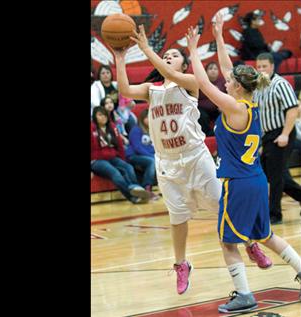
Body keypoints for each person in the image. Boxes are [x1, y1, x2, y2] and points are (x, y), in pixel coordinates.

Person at [113, 24, 271, 295]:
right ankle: (181, 264)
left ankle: (249, 244)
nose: (168, 57)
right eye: (167, 55)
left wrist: (147, 48)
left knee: (223, 208)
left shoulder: (190, 84)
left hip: (196, 157)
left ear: (185, 64)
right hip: (166, 162)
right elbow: (125, 90)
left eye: (174, 55)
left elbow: (171, 73)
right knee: (177, 218)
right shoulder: (153, 89)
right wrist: (119, 57)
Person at [185, 14, 301, 313]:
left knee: (227, 242)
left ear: (236, 87)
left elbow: (203, 81)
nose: (226, 80)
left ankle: (244, 294)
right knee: (265, 235)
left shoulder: (233, 107)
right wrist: (219, 35)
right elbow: (227, 69)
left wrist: (194, 51)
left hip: (237, 184)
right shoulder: (248, 103)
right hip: (254, 179)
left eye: (230, 81)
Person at [254, 52, 301, 224]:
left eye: (264, 66)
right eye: (258, 67)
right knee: (275, 175)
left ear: (272, 66)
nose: (261, 70)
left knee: (275, 177)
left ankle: (275, 214)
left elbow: (292, 109)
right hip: (267, 136)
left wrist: (284, 134)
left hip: (282, 132)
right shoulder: (258, 87)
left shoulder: (280, 84)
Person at [91, 106, 151, 204]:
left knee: (128, 167)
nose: (103, 117)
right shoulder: (91, 128)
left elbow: (119, 145)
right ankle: (132, 197)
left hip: (112, 157)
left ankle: (138, 189)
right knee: (115, 173)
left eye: (105, 115)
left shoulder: (112, 127)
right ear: (94, 116)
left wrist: (123, 160)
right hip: (96, 160)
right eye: (100, 115)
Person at [125, 108, 159, 200]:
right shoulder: (136, 130)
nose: (149, 119)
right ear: (142, 119)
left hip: (148, 156)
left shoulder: (154, 130)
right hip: (134, 156)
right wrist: (152, 156)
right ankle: (147, 188)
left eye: (151, 117)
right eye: (147, 117)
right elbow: (137, 147)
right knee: (152, 161)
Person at [198, 61, 226, 136]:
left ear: (218, 71)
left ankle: (223, 132)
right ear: (206, 72)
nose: (213, 70)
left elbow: (227, 96)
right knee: (201, 115)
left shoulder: (223, 82)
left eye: (215, 69)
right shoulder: (201, 82)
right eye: (210, 68)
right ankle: (208, 134)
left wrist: (223, 106)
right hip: (203, 110)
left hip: (217, 109)